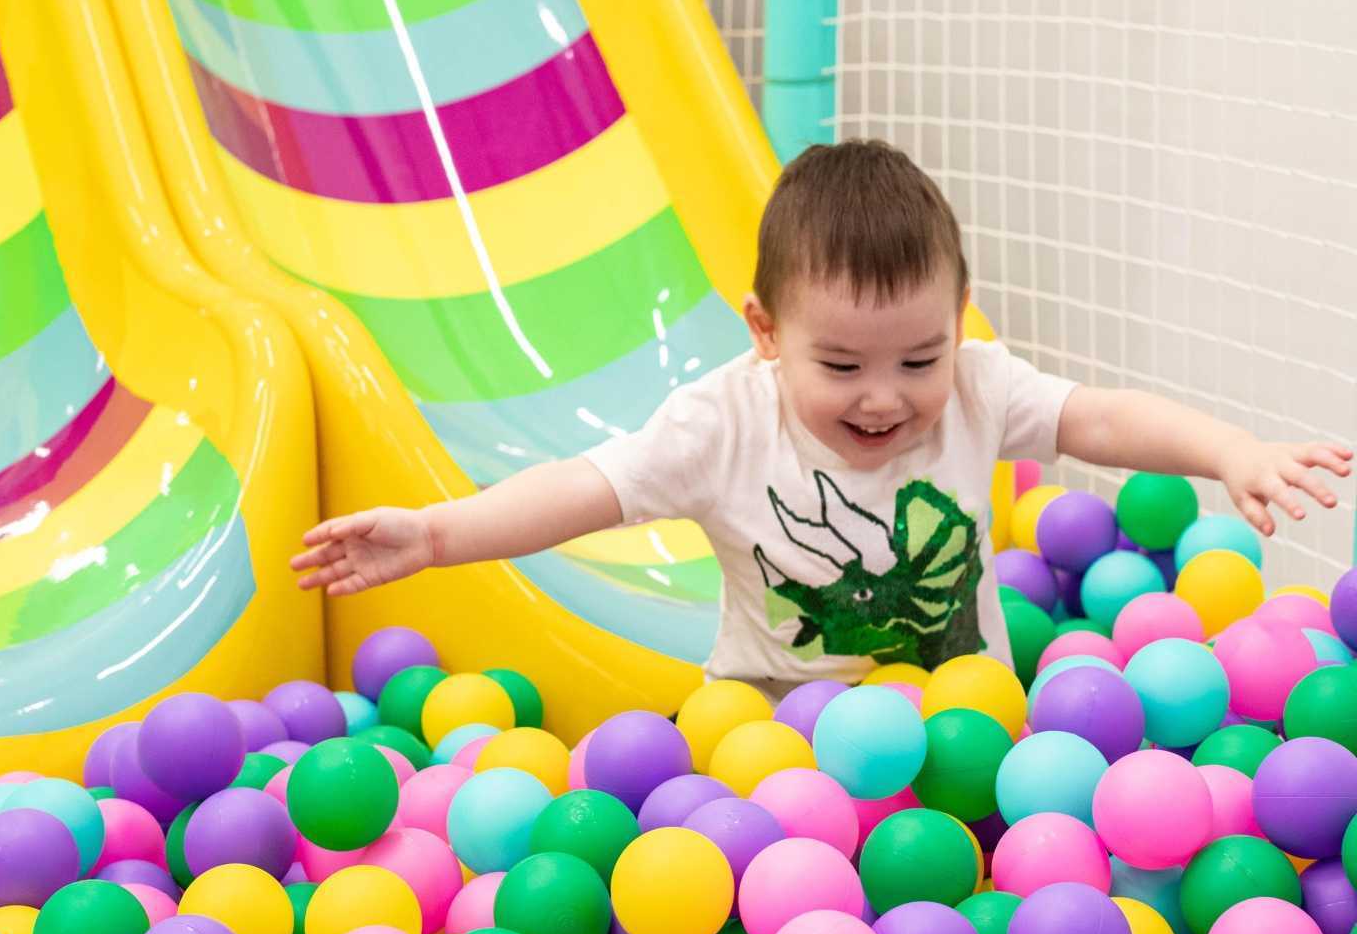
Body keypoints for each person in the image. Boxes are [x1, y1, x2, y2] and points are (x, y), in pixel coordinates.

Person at [291, 140, 1351, 700]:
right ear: (765, 331)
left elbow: (1101, 422)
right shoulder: (721, 425)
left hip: (964, 724)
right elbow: (584, 490)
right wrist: (436, 534)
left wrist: (1229, 450)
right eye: (840, 365)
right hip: (773, 727)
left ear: (958, 320)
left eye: (920, 358)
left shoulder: (977, 387)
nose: (885, 397)